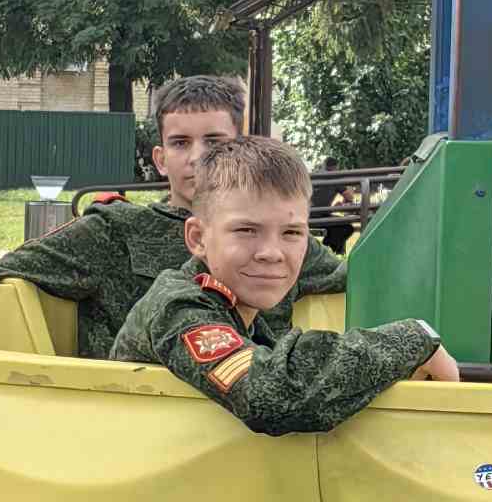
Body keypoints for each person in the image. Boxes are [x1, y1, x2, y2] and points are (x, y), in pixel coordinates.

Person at [0, 75, 346, 358]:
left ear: (239, 150)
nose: (197, 157)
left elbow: (361, 280)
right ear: (161, 159)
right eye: (180, 143)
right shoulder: (115, 231)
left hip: (257, 408)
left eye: (214, 142)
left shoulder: (281, 241)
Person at [113, 136, 460, 433]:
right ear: (198, 238)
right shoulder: (178, 306)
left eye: (292, 233)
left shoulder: (245, 311)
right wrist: (412, 339)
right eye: (246, 230)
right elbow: (270, 395)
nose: (271, 253)